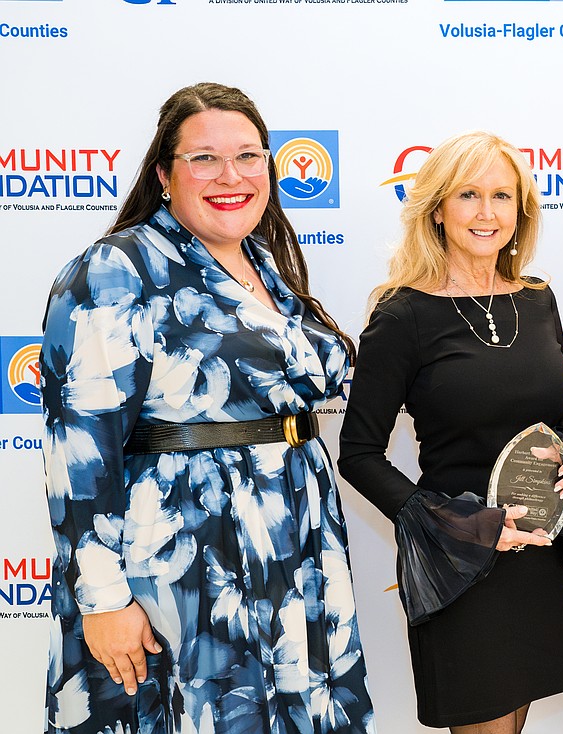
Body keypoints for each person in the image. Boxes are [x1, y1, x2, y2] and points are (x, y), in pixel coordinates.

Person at [40, 82, 376, 734]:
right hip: (186, 563)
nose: (232, 176)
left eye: (249, 156)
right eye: (205, 159)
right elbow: (77, 452)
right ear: (164, 175)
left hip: (293, 551)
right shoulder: (117, 269)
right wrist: (104, 599)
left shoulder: (262, 262)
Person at [338, 130, 563, 734]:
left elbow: (557, 412)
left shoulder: (538, 299)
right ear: (437, 208)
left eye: (501, 196)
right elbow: (357, 453)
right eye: (468, 195)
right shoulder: (402, 314)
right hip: (460, 561)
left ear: (521, 210)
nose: (487, 213)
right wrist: (453, 524)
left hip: (535, 559)